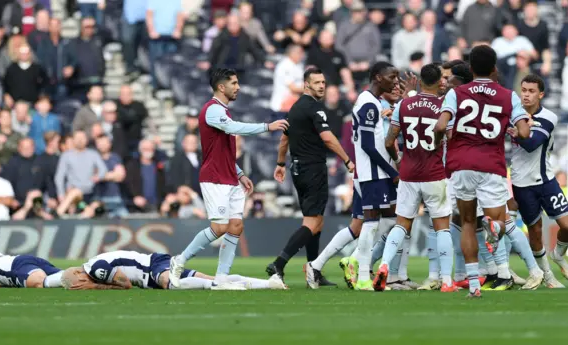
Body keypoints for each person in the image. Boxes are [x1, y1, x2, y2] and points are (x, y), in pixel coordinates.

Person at [168, 68, 289, 290]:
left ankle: (222, 277)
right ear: (221, 87)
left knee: (235, 226)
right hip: (214, 178)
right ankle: (180, 259)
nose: (238, 87)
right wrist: (267, 127)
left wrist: (240, 173)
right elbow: (233, 128)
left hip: (229, 177)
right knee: (219, 227)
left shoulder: (223, 111)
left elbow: (220, 150)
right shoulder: (212, 110)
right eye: (233, 83)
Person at [434, 45, 531, 298]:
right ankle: (496, 228)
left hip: (461, 164)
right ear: (494, 68)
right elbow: (524, 132)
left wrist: (439, 139)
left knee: (467, 223)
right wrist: (508, 130)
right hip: (491, 164)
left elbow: (441, 124)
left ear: (471, 68)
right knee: (499, 219)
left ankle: (474, 287)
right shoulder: (508, 95)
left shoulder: (457, 93)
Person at [267, 67, 354, 287]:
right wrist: (347, 159)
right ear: (306, 85)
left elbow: (284, 140)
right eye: (317, 83)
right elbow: (328, 138)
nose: (322, 86)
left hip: (297, 170)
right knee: (313, 222)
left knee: (317, 222)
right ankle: (279, 263)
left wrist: (280, 163)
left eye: (323, 82)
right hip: (313, 168)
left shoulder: (295, 109)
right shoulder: (314, 108)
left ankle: (312, 272)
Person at [376, 64, 454, 292]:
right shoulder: (443, 106)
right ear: (440, 81)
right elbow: (449, 135)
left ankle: (383, 266)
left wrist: (399, 161)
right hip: (434, 173)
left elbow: (389, 141)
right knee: (442, 228)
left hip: (408, 173)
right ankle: (447, 281)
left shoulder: (403, 105)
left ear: (420, 81)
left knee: (401, 225)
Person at [336, 62, 398, 291]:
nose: (394, 80)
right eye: (391, 76)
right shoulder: (369, 105)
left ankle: (354, 259)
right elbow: (369, 146)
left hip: (377, 172)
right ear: (378, 77)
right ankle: (363, 277)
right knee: (370, 224)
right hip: (373, 173)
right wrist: (392, 172)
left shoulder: (372, 102)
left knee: (391, 219)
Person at [510, 74, 568, 287]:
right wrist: (519, 130)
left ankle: (558, 254)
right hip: (522, 182)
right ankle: (548, 276)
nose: (526, 95)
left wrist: (516, 132)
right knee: (535, 231)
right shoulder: (513, 114)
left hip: (546, 180)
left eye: (531, 91)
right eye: (524, 90)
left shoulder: (549, 117)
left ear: (541, 94)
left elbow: (532, 143)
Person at [61, 250, 286, 290]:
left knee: (171, 284)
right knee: (213, 277)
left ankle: (216, 287)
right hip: (152, 265)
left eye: (76, 284)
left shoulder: (96, 269)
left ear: (79, 275)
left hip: (151, 268)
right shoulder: (93, 265)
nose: (79, 286)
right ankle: (269, 283)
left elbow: (125, 284)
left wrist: (96, 287)